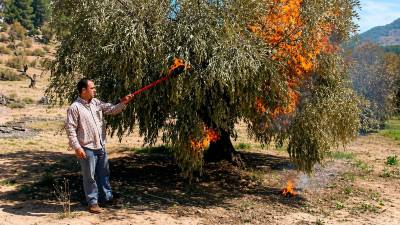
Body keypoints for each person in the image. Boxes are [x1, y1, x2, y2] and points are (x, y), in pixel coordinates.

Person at [65, 78, 134, 214]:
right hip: (86, 147)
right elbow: (70, 129)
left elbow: (111, 109)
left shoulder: (96, 103)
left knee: (104, 173)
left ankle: (107, 198)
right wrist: (77, 147)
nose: (95, 90)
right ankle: (93, 203)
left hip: (100, 146)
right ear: (83, 90)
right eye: (92, 88)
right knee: (89, 176)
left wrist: (124, 102)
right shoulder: (75, 107)